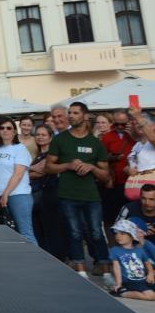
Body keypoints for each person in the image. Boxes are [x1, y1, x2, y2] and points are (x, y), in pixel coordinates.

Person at [46, 101, 111, 275]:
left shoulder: (95, 143)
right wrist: (68, 165)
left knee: (97, 233)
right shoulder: (60, 139)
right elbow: (49, 167)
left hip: (91, 195)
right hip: (67, 194)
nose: (71, 116)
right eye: (70, 113)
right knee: (74, 233)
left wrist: (92, 168)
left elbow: (106, 176)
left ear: (85, 116)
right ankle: (81, 272)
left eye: (75, 113)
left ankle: (106, 273)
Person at [0, 117, 36, 243]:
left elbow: (18, 174)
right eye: (2, 128)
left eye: (9, 128)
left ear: (14, 131)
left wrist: (6, 194)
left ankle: (35, 262)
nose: (5, 130)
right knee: (7, 236)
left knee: (25, 232)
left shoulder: (20, 148)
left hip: (18, 195)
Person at [29, 126, 67, 259]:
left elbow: (42, 170)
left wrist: (26, 171)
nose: (40, 137)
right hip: (37, 195)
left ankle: (58, 257)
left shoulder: (52, 154)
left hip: (50, 193)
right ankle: (46, 256)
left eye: (43, 135)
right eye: (38, 134)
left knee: (52, 227)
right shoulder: (37, 155)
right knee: (40, 228)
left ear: (51, 137)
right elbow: (36, 170)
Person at [108, 219, 155, 301]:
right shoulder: (115, 250)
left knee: (151, 294)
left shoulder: (140, 250)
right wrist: (118, 284)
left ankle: (124, 291)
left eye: (122, 233)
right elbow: (116, 268)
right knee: (151, 296)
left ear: (132, 236)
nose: (118, 236)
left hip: (143, 280)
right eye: (116, 233)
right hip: (130, 282)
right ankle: (122, 293)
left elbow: (147, 263)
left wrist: (150, 273)